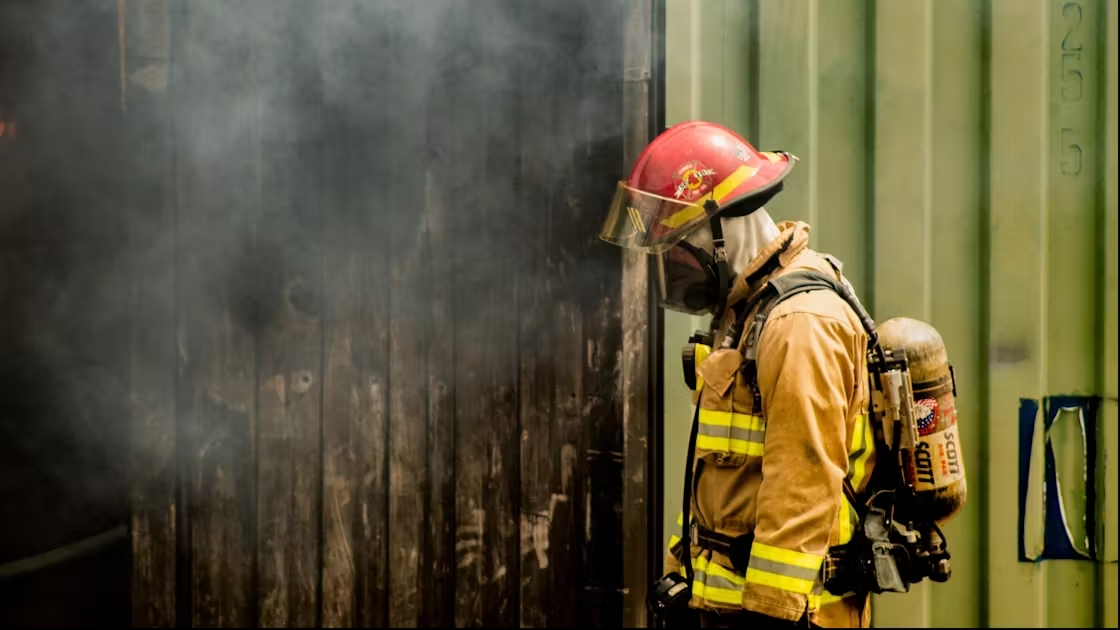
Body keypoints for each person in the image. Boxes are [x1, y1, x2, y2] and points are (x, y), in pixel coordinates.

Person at [599, 121, 874, 628]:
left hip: (792, 618)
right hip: (727, 609)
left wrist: (769, 617)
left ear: (720, 233)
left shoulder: (799, 324)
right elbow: (721, 478)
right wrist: (683, 575)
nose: (670, 271)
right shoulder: (746, 312)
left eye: (676, 251)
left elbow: (802, 490)